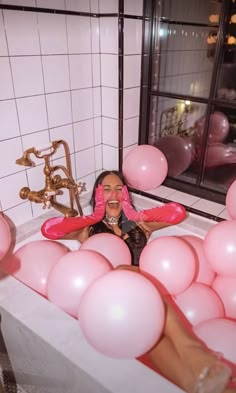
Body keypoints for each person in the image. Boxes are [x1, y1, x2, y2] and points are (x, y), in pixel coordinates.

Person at [41, 170, 236, 393]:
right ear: (96, 196)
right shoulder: (87, 229)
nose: (113, 193)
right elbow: (49, 230)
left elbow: (177, 212)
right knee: (126, 273)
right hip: (108, 309)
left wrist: (134, 215)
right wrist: (94, 216)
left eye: (119, 189)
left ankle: (197, 383)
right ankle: (197, 356)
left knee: (151, 334)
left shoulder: (138, 226)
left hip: (143, 308)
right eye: (105, 189)